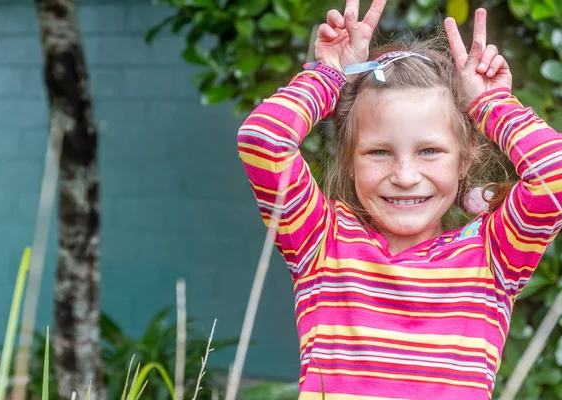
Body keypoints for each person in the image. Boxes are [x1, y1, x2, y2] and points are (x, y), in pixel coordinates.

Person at [236, 0, 562, 398]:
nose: (405, 176)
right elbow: (263, 141)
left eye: (429, 151)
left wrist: (490, 105)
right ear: (350, 160)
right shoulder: (320, 241)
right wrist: (328, 76)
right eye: (379, 152)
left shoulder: (492, 255)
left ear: (465, 159)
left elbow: (554, 174)